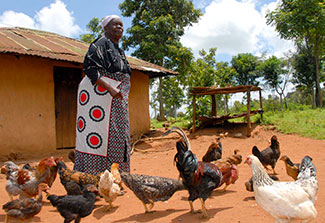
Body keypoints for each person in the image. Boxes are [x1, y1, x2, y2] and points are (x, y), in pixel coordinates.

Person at [74, 15, 132, 175]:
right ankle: (97, 177)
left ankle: (116, 177)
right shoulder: (100, 44)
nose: (119, 27)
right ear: (105, 28)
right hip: (101, 99)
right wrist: (110, 88)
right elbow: (90, 68)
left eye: (121, 25)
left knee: (118, 135)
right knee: (101, 135)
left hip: (115, 100)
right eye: (115, 24)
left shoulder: (117, 48)